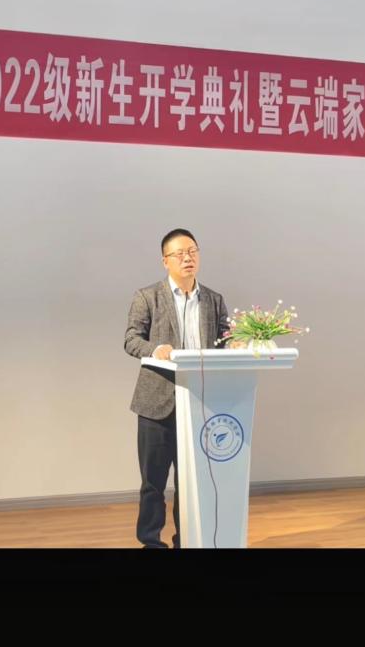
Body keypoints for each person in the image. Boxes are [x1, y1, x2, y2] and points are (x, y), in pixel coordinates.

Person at [123, 228, 236, 548]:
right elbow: (131, 339)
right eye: (180, 253)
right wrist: (154, 350)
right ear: (165, 261)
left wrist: (236, 343)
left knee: (191, 484)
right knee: (153, 484)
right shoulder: (147, 296)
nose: (188, 258)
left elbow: (224, 339)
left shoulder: (213, 299)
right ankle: (151, 542)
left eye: (193, 251)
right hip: (156, 405)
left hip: (199, 404)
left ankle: (186, 541)